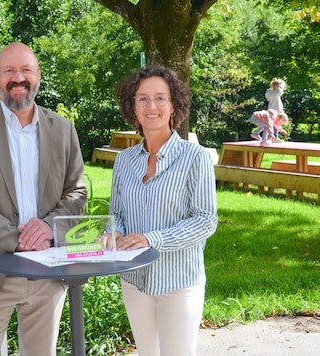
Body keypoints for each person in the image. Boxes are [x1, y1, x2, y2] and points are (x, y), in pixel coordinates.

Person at [0, 42, 87, 356]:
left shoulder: (63, 129)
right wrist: (16, 239)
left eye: (26, 69)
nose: (18, 77)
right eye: (9, 70)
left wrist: (50, 227)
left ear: (38, 76)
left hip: (47, 273)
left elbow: (77, 191)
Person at [110, 65, 218, 356]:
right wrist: (115, 231)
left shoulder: (196, 158)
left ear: (174, 106)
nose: (151, 106)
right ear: (133, 107)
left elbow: (205, 220)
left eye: (160, 98)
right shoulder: (124, 160)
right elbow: (116, 213)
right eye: (142, 98)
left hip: (178, 281)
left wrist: (151, 239)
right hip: (134, 280)